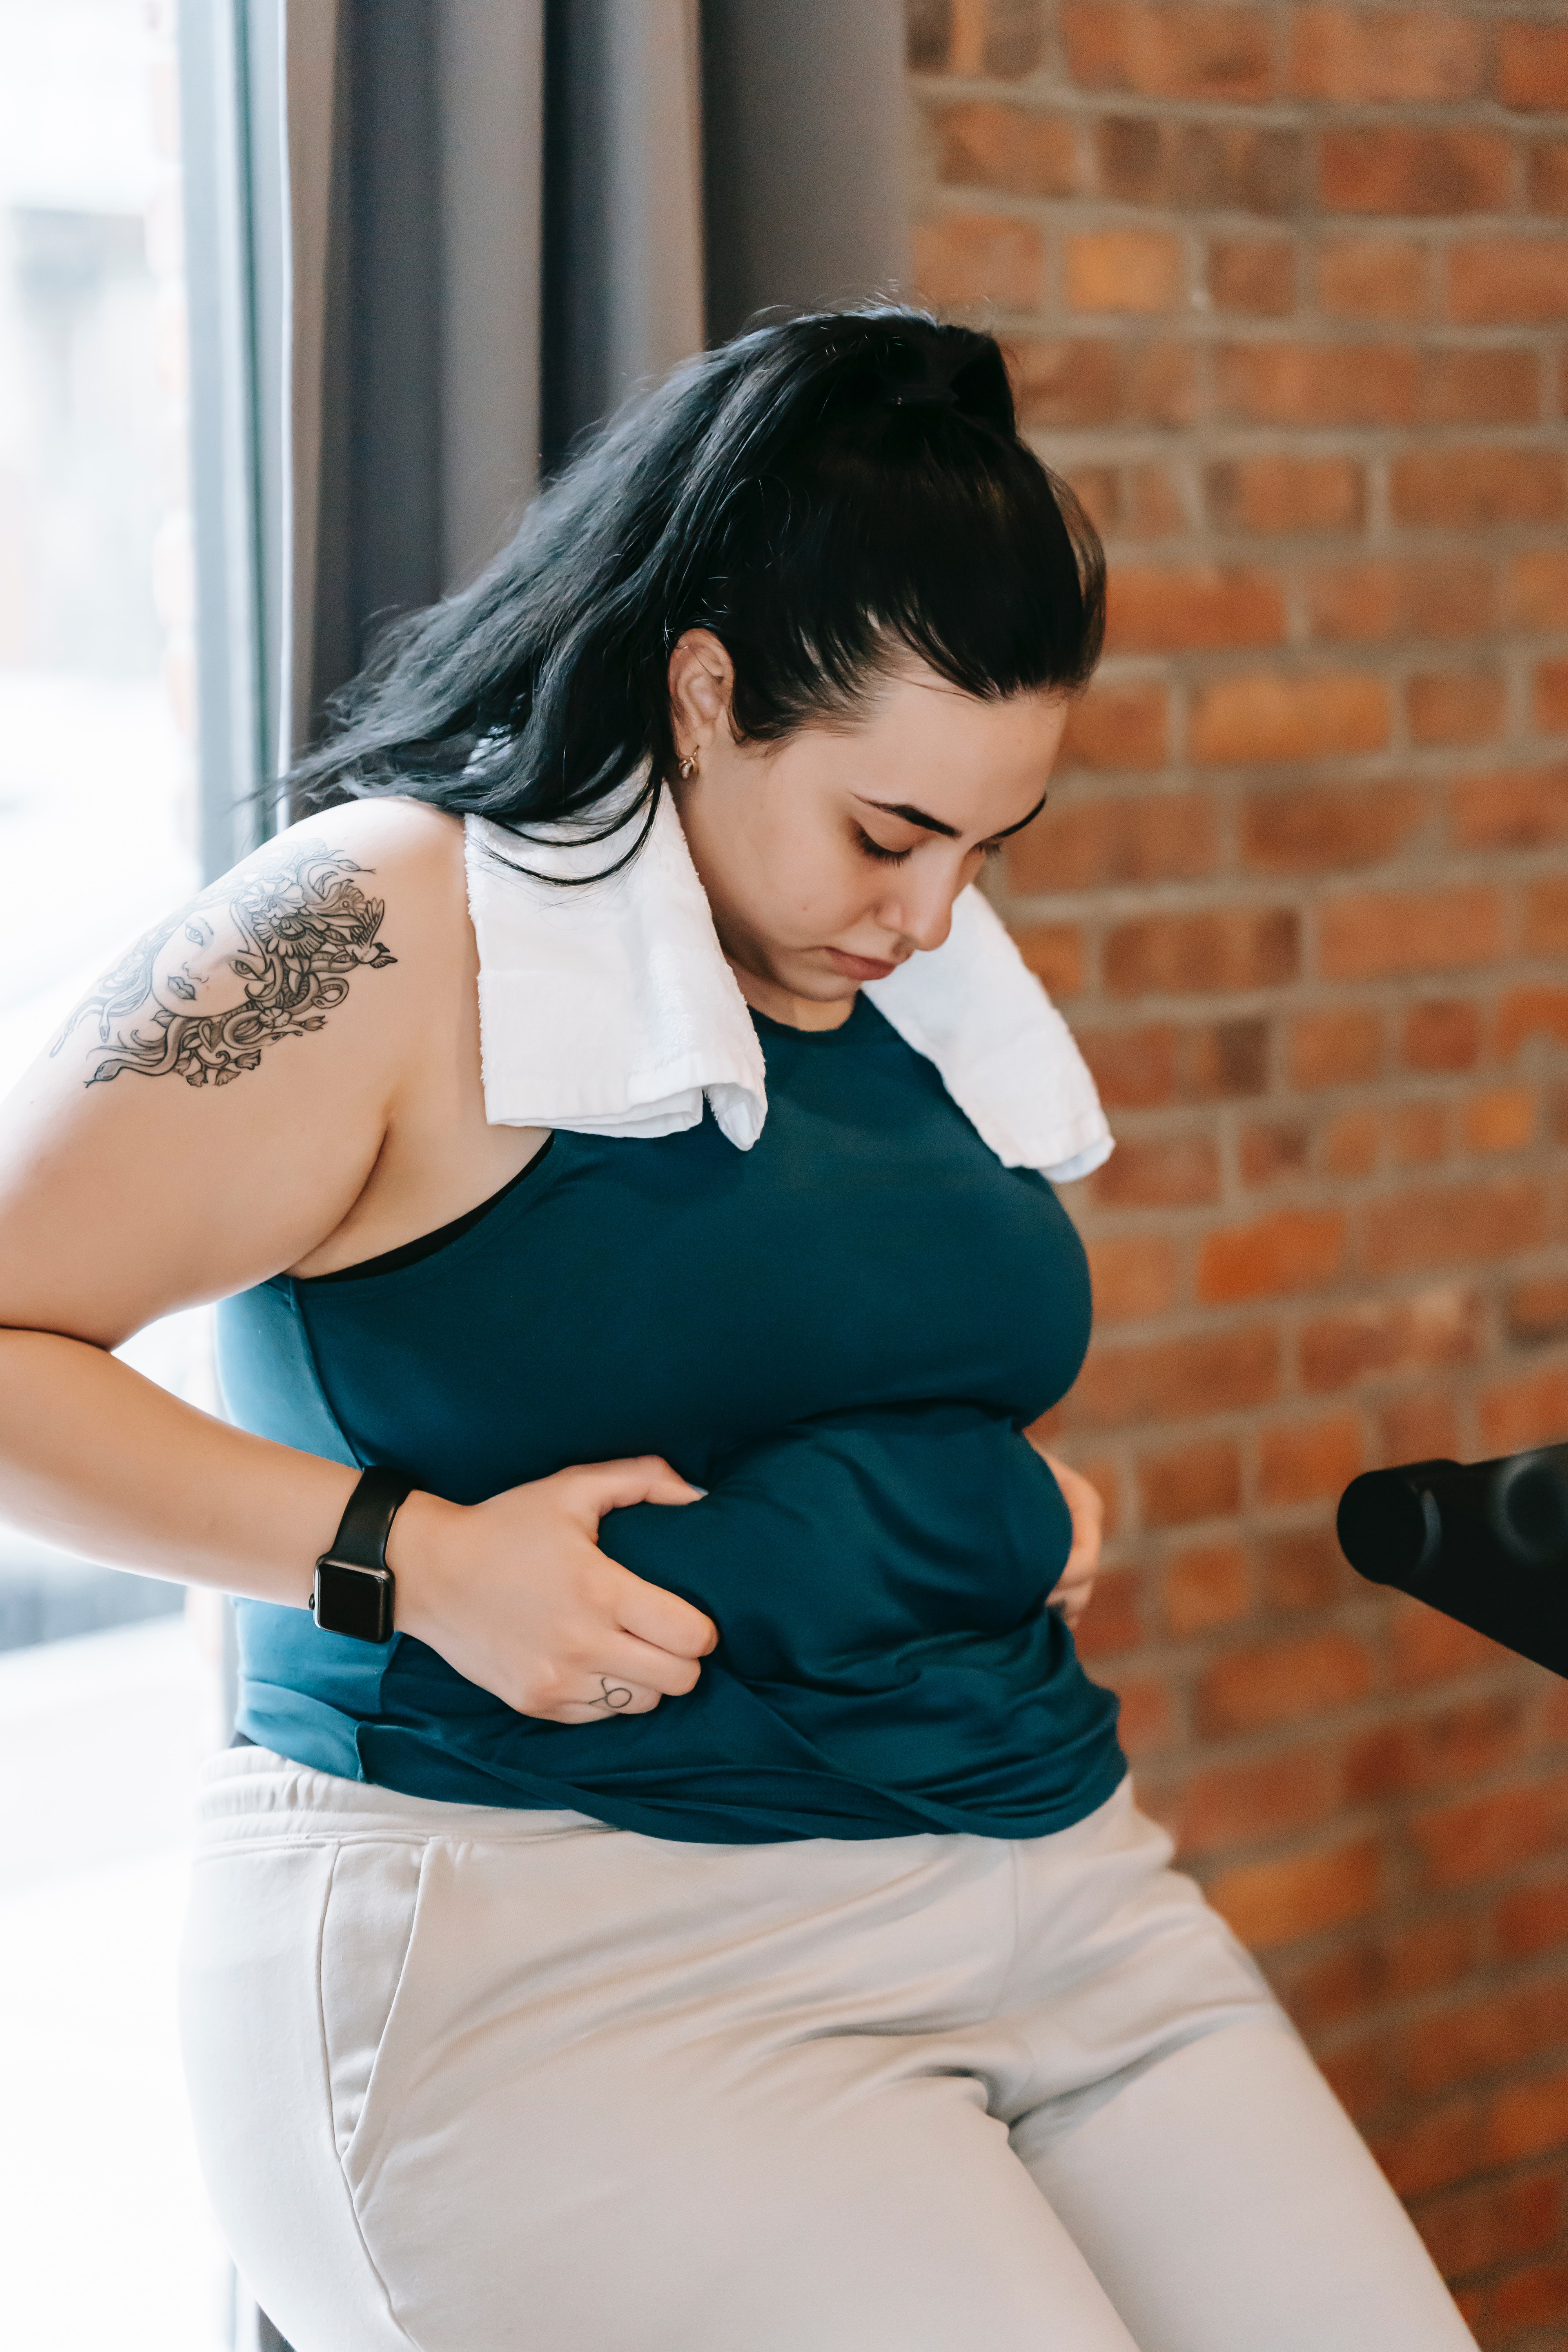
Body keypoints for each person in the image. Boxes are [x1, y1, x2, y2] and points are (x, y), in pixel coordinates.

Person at [0, 310, 1475, 2352]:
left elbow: (847, 1351)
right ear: (704, 695)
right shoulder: (387, 926)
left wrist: (993, 1508)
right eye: (891, 832)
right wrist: (404, 1556)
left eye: (988, 844)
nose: (940, 910)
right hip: (567, 1936)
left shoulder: (902, 975)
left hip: (1050, 1870)